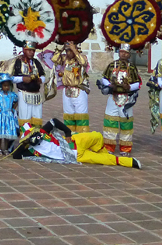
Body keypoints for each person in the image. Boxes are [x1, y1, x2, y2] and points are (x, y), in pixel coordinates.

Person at [11, 118, 142, 168]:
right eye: (28, 137)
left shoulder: (44, 132)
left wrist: (67, 133)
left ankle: (100, 149)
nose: (33, 137)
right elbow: (15, 155)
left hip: (76, 142)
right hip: (76, 156)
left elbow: (54, 121)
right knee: (105, 160)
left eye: (32, 134)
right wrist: (26, 142)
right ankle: (131, 163)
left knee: (96, 136)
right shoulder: (32, 151)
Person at [100, 44, 142, 156]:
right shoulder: (111, 65)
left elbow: (137, 83)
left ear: (129, 54)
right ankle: (109, 147)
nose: (124, 54)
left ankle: (125, 149)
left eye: (126, 52)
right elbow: (104, 78)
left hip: (126, 99)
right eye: (122, 51)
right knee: (110, 122)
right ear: (119, 52)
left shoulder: (132, 67)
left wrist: (129, 87)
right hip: (113, 97)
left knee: (126, 124)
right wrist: (109, 85)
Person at [51, 41, 90, 134]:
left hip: (79, 91)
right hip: (67, 91)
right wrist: (62, 48)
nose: (69, 53)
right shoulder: (64, 59)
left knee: (81, 117)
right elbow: (54, 59)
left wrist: (74, 50)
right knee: (68, 117)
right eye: (67, 51)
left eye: (71, 51)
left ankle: (82, 139)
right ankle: (70, 137)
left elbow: (84, 63)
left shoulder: (81, 58)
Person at [11, 42, 46, 128]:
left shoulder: (36, 62)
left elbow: (43, 74)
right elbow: (11, 77)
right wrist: (22, 79)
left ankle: (36, 138)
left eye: (33, 51)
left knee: (37, 118)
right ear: (24, 50)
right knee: (25, 119)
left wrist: (40, 79)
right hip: (24, 94)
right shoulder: (18, 62)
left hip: (36, 95)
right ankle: (25, 139)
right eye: (29, 50)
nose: (31, 52)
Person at [0, 73, 18, 155]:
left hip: (9, 115)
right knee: (0, 132)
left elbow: (16, 101)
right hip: (0, 115)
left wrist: (13, 108)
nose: (6, 87)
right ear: (1, 86)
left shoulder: (12, 95)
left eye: (8, 86)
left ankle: (5, 148)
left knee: (7, 133)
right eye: (4, 85)